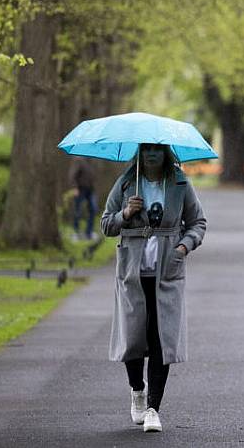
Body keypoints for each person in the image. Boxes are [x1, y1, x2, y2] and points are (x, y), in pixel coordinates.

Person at [101, 143, 207, 433]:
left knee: (162, 338)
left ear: (166, 154)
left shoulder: (180, 182)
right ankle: (137, 390)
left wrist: (183, 247)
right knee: (134, 337)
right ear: (139, 153)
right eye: (146, 150)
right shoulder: (126, 183)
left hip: (167, 272)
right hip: (132, 273)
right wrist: (125, 213)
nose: (151, 155)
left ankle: (153, 409)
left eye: (157, 150)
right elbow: (106, 224)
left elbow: (197, 222)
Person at [68, 156, 98, 240]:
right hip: (80, 189)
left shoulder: (91, 160)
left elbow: (92, 176)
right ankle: (75, 232)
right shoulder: (78, 160)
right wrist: (74, 187)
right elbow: (72, 175)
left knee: (93, 210)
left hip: (90, 189)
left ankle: (89, 232)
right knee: (78, 211)